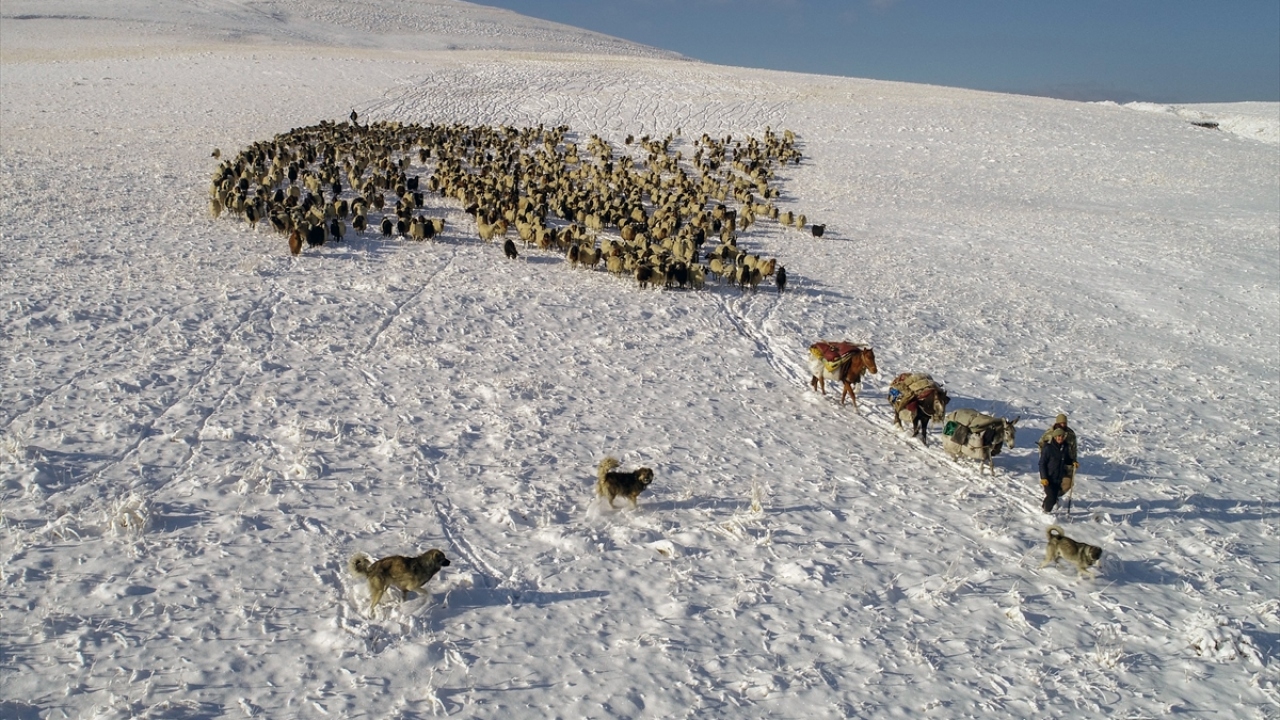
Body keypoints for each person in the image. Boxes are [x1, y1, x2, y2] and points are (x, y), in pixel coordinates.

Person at [1039, 428, 1076, 513]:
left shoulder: (1064, 448)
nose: (1060, 438)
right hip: (1049, 478)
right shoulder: (1048, 448)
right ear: (1055, 437)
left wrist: (1073, 462)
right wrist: (1044, 477)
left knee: (1053, 497)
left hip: (1058, 478)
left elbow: (1066, 459)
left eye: (1062, 436)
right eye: (1059, 436)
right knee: (1051, 497)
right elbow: (1042, 464)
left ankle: (1044, 507)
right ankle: (1046, 512)